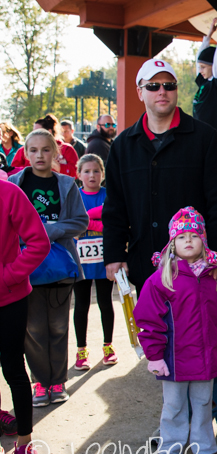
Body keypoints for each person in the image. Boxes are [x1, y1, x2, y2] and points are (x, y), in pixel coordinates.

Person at [101, 58, 217, 450]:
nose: (162, 91)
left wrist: (216, 253)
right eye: (153, 86)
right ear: (140, 92)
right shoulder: (123, 146)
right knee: (166, 344)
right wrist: (114, 253)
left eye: (169, 84)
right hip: (150, 266)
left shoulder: (203, 137)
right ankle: (175, 425)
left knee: (213, 337)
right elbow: (114, 207)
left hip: (201, 266)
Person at [135, 207, 217, 454]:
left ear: (203, 240)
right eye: (181, 237)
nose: (188, 240)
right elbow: (148, 319)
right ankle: (170, 451)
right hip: (174, 360)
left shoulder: (215, 275)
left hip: (206, 357)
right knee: (174, 406)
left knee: (203, 405)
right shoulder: (161, 279)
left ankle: (205, 450)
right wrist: (154, 356)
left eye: (194, 235)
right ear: (172, 243)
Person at [9, 129, 88, 407]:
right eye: (33, 150)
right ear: (25, 153)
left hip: (60, 268)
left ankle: (58, 382)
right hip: (25, 269)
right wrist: (29, 236)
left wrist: (49, 230)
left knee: (58, 326)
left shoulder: (67, 184)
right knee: (33, 329)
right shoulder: (15, 183)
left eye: (45, 150)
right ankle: (41, 383)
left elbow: (81, 221)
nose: (39, 155)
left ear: (55, 153)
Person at [0, 177, 51, 454]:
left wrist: (7, 277)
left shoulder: (8, 192)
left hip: (9, 299)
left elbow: (39, 243)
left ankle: (24, 445)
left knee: (13, 370)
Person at [72, 154, 117, 371]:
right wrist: (90, 222)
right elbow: (71, 225)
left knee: (105, 302)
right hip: (80, 262)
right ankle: (81, 350)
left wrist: (87, 221)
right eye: (87, 171)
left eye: (96, 171)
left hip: (104, 261)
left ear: (103, 173)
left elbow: (113, 224)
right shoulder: (74, 197)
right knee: (81, 305)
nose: (92, 175)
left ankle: (108, 346)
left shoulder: (109, 196)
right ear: (78, 174)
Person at [11, 115, 79, 178]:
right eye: (33, 151)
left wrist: (59, 167)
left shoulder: (67, 149)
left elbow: (77, 173)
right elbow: (13, 172)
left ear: (49, 131)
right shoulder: (24, 150)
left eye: (46, 150)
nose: (34, 134)